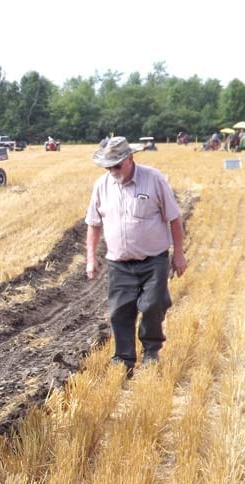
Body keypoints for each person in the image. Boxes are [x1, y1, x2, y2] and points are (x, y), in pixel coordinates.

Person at [85, 136, 187, 374]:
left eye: (117, 165)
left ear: (130, 159)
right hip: (119, 264)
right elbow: (93, 224)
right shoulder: (102, 185)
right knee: (120, 310)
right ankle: (123, 359)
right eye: (108, 166)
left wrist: (179, 255)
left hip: (154, 261)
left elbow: (174, 218)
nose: (112, 171)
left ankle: (151, 351)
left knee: (153, 305)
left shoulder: (153, 179)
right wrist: (91, 257)